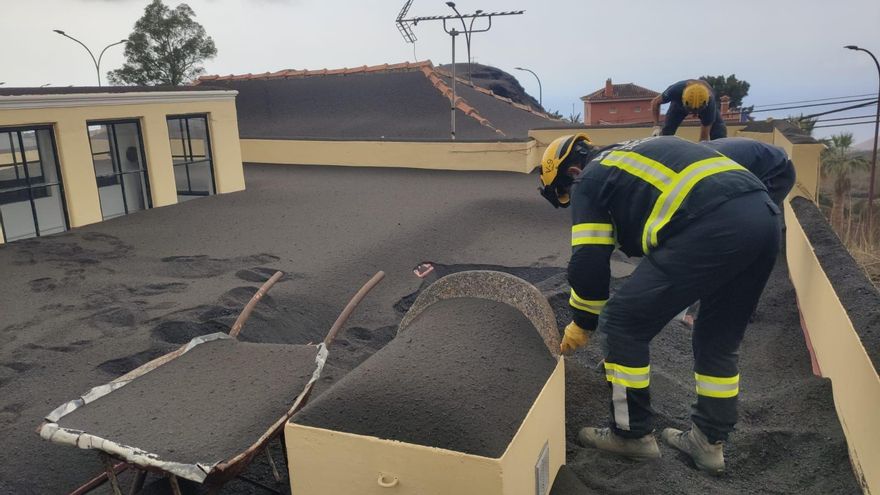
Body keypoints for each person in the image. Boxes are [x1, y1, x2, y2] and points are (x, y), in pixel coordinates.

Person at [538, 133, 781, 474]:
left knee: (623, 322)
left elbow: (589, 262)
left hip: (713, 223)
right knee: (718, 338)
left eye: (566, 192)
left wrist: (583, 321)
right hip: (764, 219)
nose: (571, 200)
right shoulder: (632, 153)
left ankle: (631, 434)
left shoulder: (590, 179)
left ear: (573, 172)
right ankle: (707, 444)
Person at [675, 137, 797, 327]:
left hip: (777, 173)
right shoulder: (684, 168)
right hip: (745, 168)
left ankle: (741, 311)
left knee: (744, 239)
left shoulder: (703, 175)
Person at [651, 79, 727, 142]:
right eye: (691, 110)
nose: (694, 115)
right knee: (666, 133)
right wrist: (656, 126)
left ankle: (721, 152)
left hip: (705, 108)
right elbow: (655, 102)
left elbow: (704, 138)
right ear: (683, 99)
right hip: (679, 107)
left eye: (696, 112)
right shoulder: (675, 91)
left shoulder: (710, 103)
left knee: (719, 131)